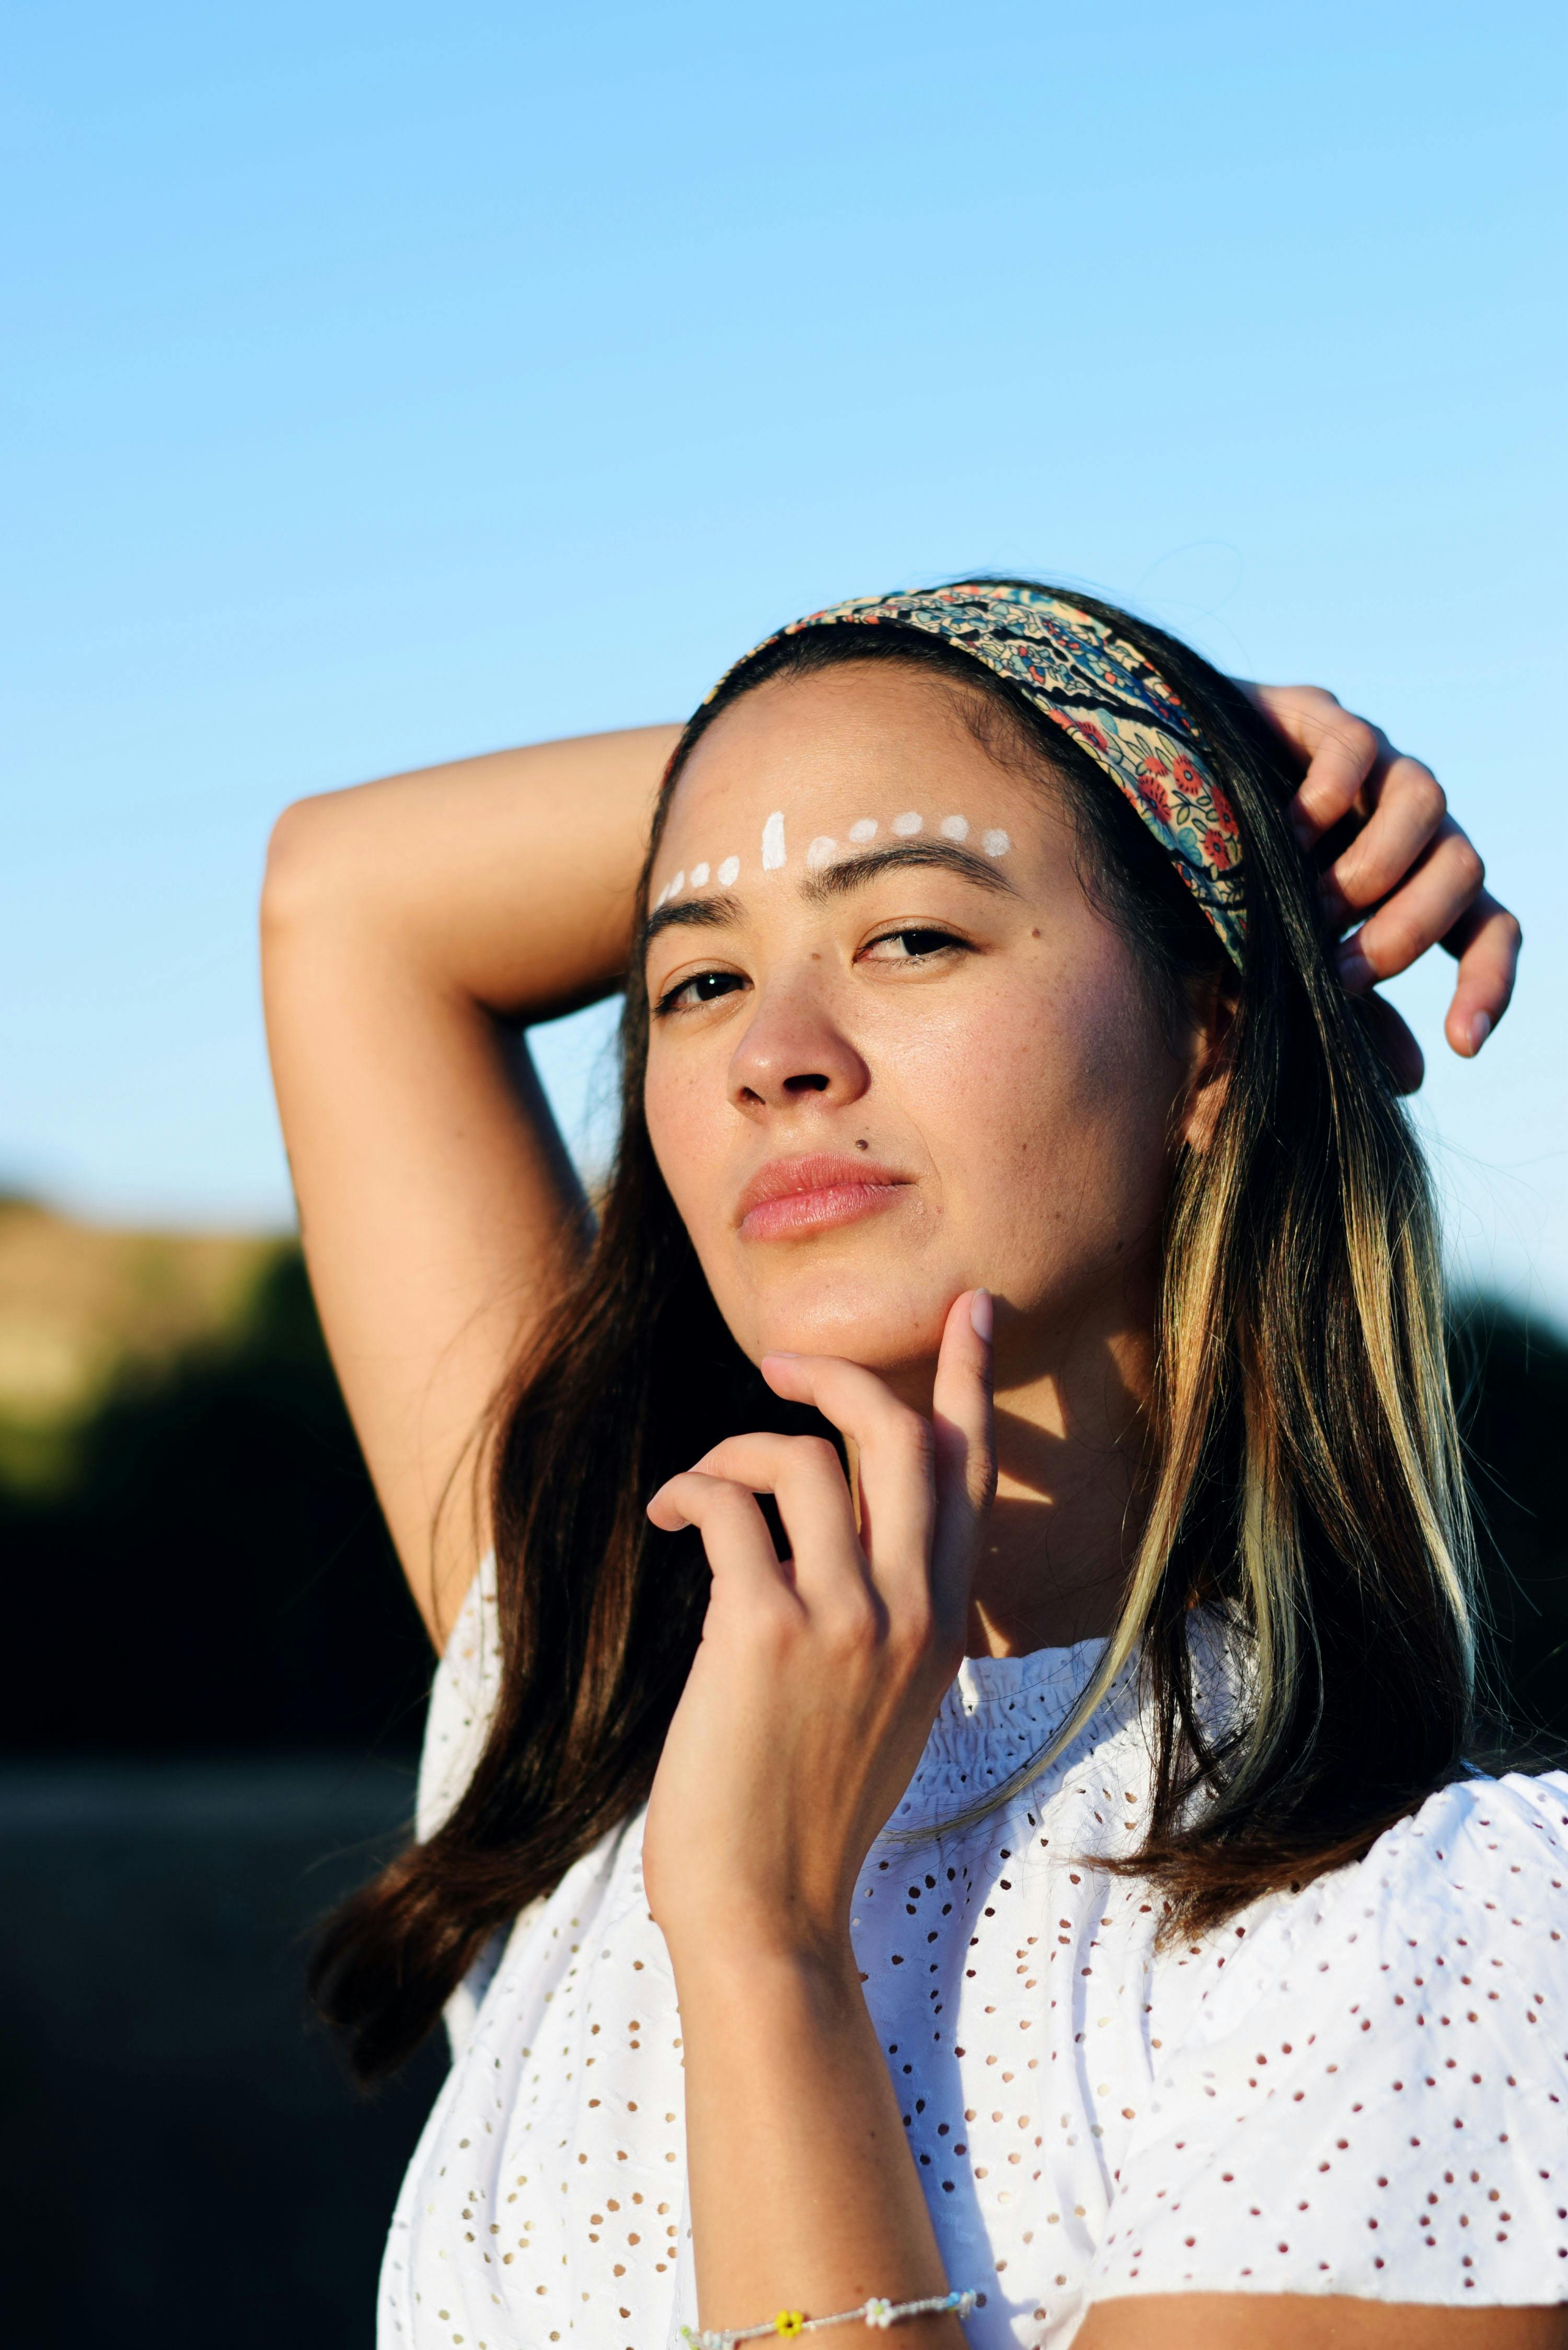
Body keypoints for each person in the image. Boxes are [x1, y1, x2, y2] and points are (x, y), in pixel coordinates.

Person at [261, 581, 1561, 2350]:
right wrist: (1147, 740)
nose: (778, 1057)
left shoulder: (1443, 1934)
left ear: (1208, 1037)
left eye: (914, 939)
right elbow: (351, 899)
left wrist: (764, 1940)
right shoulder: (599, 1667)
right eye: (701, 977)